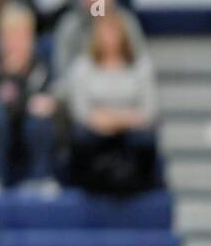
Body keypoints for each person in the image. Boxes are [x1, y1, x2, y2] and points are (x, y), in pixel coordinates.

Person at [62, 13, 159, 194]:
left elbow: (149, 111)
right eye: (104, 33)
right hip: (97, 129)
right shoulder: (82, 67)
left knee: (145, 139)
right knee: (80, 136)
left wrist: (114, 119)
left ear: (124, 36)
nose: (109, 38)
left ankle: (139, 185)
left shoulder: (141, 66)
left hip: (130, 129)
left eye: (114, 32)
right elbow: (80, 111)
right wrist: (115, 118)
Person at [0, 4, 59, 199]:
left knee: (40, 115)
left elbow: (48, 96)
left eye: (22, 35)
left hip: (30, 130)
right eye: (10, 35)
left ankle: (41, 177)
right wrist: (10, 77)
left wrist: (23, 89)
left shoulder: (40, 62)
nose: (16, 42)